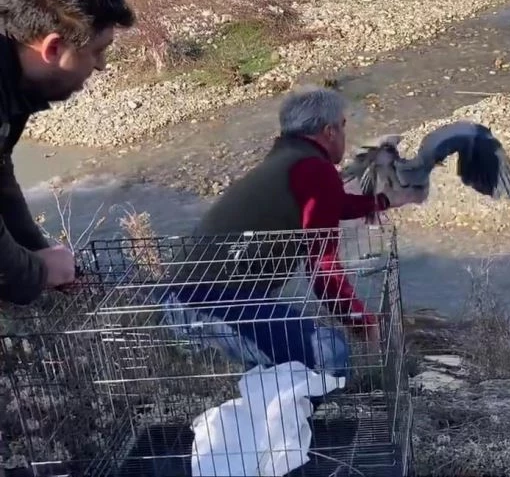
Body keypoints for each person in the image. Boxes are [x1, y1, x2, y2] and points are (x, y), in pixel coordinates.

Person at [166, 86, 425, 371]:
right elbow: (323, 269)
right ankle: (288, 415)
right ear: (329, 131)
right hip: (212, 305)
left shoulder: (288, 160)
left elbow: (328, 206)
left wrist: (387, 200)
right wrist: (363, 324)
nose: (344, 133)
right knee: (330, 354)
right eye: (342, 125)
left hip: (181, 302)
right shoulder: (314, 170)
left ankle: (274, 408)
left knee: (281, 363)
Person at [0, 0, 135, 306]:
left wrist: (38, 250)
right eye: (97, 51)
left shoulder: (13, 74)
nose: (101, 66)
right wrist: (37, 272)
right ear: (53, 48)